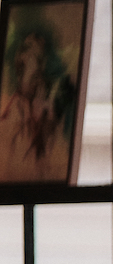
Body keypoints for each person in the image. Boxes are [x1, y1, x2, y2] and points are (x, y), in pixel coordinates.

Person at [0, 20, 75, 182]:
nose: (37, 80)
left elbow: (52, 154)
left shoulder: (45, 101)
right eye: (31, 74)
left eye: (38, 73)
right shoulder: (11, 110)